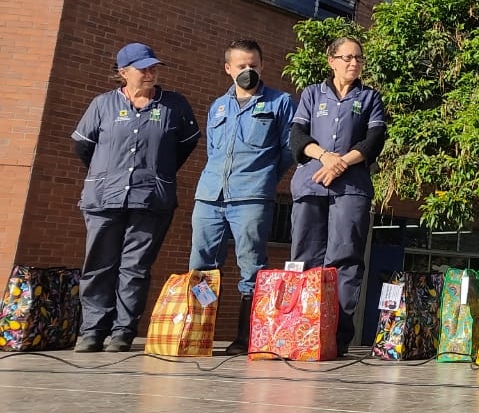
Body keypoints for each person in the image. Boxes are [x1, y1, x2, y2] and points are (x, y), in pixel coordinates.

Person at [70, 42, 200, 352]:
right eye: (143, 68)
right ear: (123, 72)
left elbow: (185, 146)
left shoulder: (174, 106)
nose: (150, 72)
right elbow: (82, 147)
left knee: (135, 268)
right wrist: (107, 173)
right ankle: (92, 331)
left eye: (153, 67)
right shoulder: (102, 104)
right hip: (104, 198)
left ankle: (122, 332)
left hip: (151, 200)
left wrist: (156, 173)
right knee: (99, 266)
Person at [189, 39, 295, 355]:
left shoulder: (280, 102)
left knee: (252, 268)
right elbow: (212, 151)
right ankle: (197, 335)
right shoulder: (217, 107)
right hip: (210, 196)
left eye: (254, 65)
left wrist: (264, 180)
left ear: (262, 66)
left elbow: (288, 150)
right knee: (202, 268)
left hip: (252, 198)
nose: (248, 71)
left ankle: (246, 339)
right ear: (228, 69)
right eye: (241, 66)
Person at [289, 37, 386, 355]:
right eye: (346, 57)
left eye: (358, 58)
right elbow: (297, 136)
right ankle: (300, 328)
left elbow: (374, 140)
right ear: (330, 60)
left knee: (344, 259)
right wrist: (325, 157)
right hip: (310, 184)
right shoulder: (311, 94)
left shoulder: (370, 98)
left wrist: (341, 162)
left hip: (351, 188)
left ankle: (336, 336)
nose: (353, 63)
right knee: (304, 258)